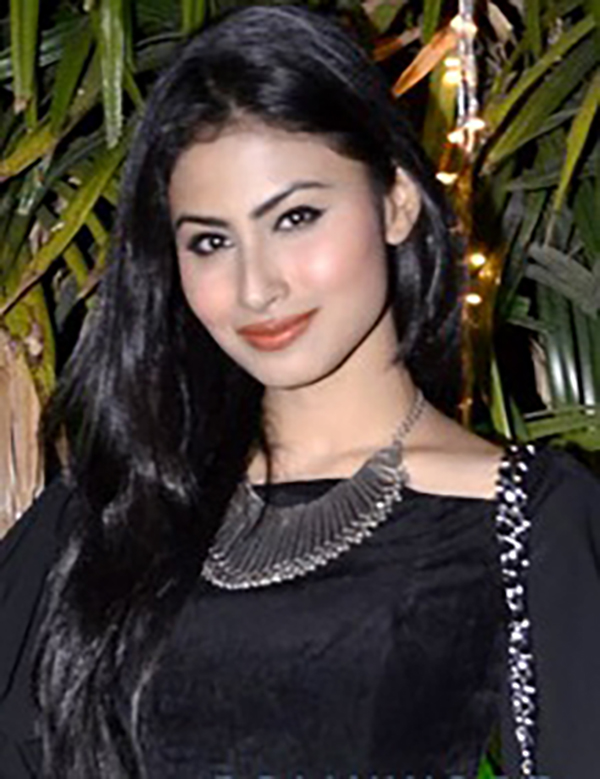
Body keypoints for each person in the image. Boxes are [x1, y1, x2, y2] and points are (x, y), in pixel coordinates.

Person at [1, 5, 599, 778]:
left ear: (396, 201)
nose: (257, 286)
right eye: (211, 241)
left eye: (296, 217)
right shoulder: (109, 508)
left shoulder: (527, 522)